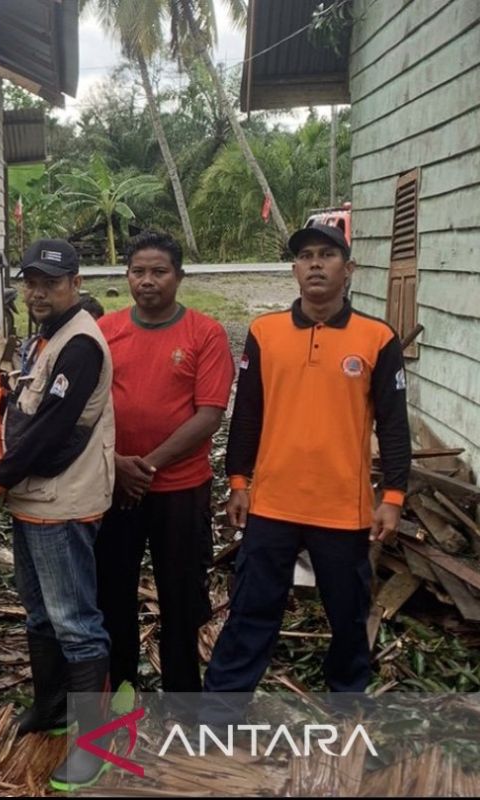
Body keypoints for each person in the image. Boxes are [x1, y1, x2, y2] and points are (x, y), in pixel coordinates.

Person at [203, 224, 411, 709]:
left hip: (343, 507)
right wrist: (238, 481)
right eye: (306, 256)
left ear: (349, 269)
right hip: (273, 504)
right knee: (252, 609)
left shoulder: (377, 338)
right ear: (295, 270)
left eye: (327, 255)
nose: (315, 263)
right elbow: (247, 414)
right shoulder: (265, 332)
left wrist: (394, 497)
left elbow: (395, 426)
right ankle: (221, 709)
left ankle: (347, 704)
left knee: (347, 614)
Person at [0, 238, 116, 790]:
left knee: (76, 625)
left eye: (50, 282)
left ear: (75, 282)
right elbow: (26, 409)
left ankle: (91, 745)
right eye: (31, 282)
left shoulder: (80, 344)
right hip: (33, 499)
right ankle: (51, 708)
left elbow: (52, 426)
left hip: (61, 502)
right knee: (40, 616)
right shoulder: (45, 338)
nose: (38, 291)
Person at [95, 231, 234, 694]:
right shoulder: (105, 331)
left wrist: (145, 467)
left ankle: (182, 694)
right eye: (138, 272)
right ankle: (121, 690)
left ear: (179, 275)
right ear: (127, 276)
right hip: (114, 489)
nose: (147, 281)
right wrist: (116, 465)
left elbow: (210, 414)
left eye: (159, 272)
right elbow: (85, 408)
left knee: (181, 597)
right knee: (114, 593)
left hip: (181, 489)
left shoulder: (205, 333)